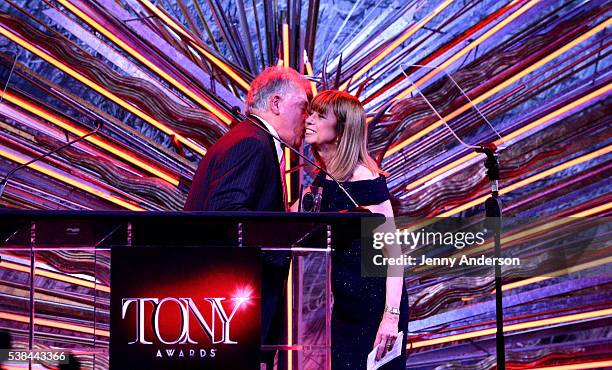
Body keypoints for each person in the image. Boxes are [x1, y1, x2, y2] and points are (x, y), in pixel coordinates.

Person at [184, 65, 310, 369]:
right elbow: (225, 216)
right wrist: (284, 242)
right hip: (229, 309)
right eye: (303, 108)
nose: (306, 120)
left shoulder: (249, 139)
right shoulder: (252, 144)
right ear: (276, 103)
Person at [303, 90, 408, 369]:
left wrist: (391, 317)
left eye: (319, 115)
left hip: (374, 308)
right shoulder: (324, 177)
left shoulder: (365, 179)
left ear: (341, 130)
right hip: (344, 307)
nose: (309, 120)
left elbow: (394, 255)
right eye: (310, 112)